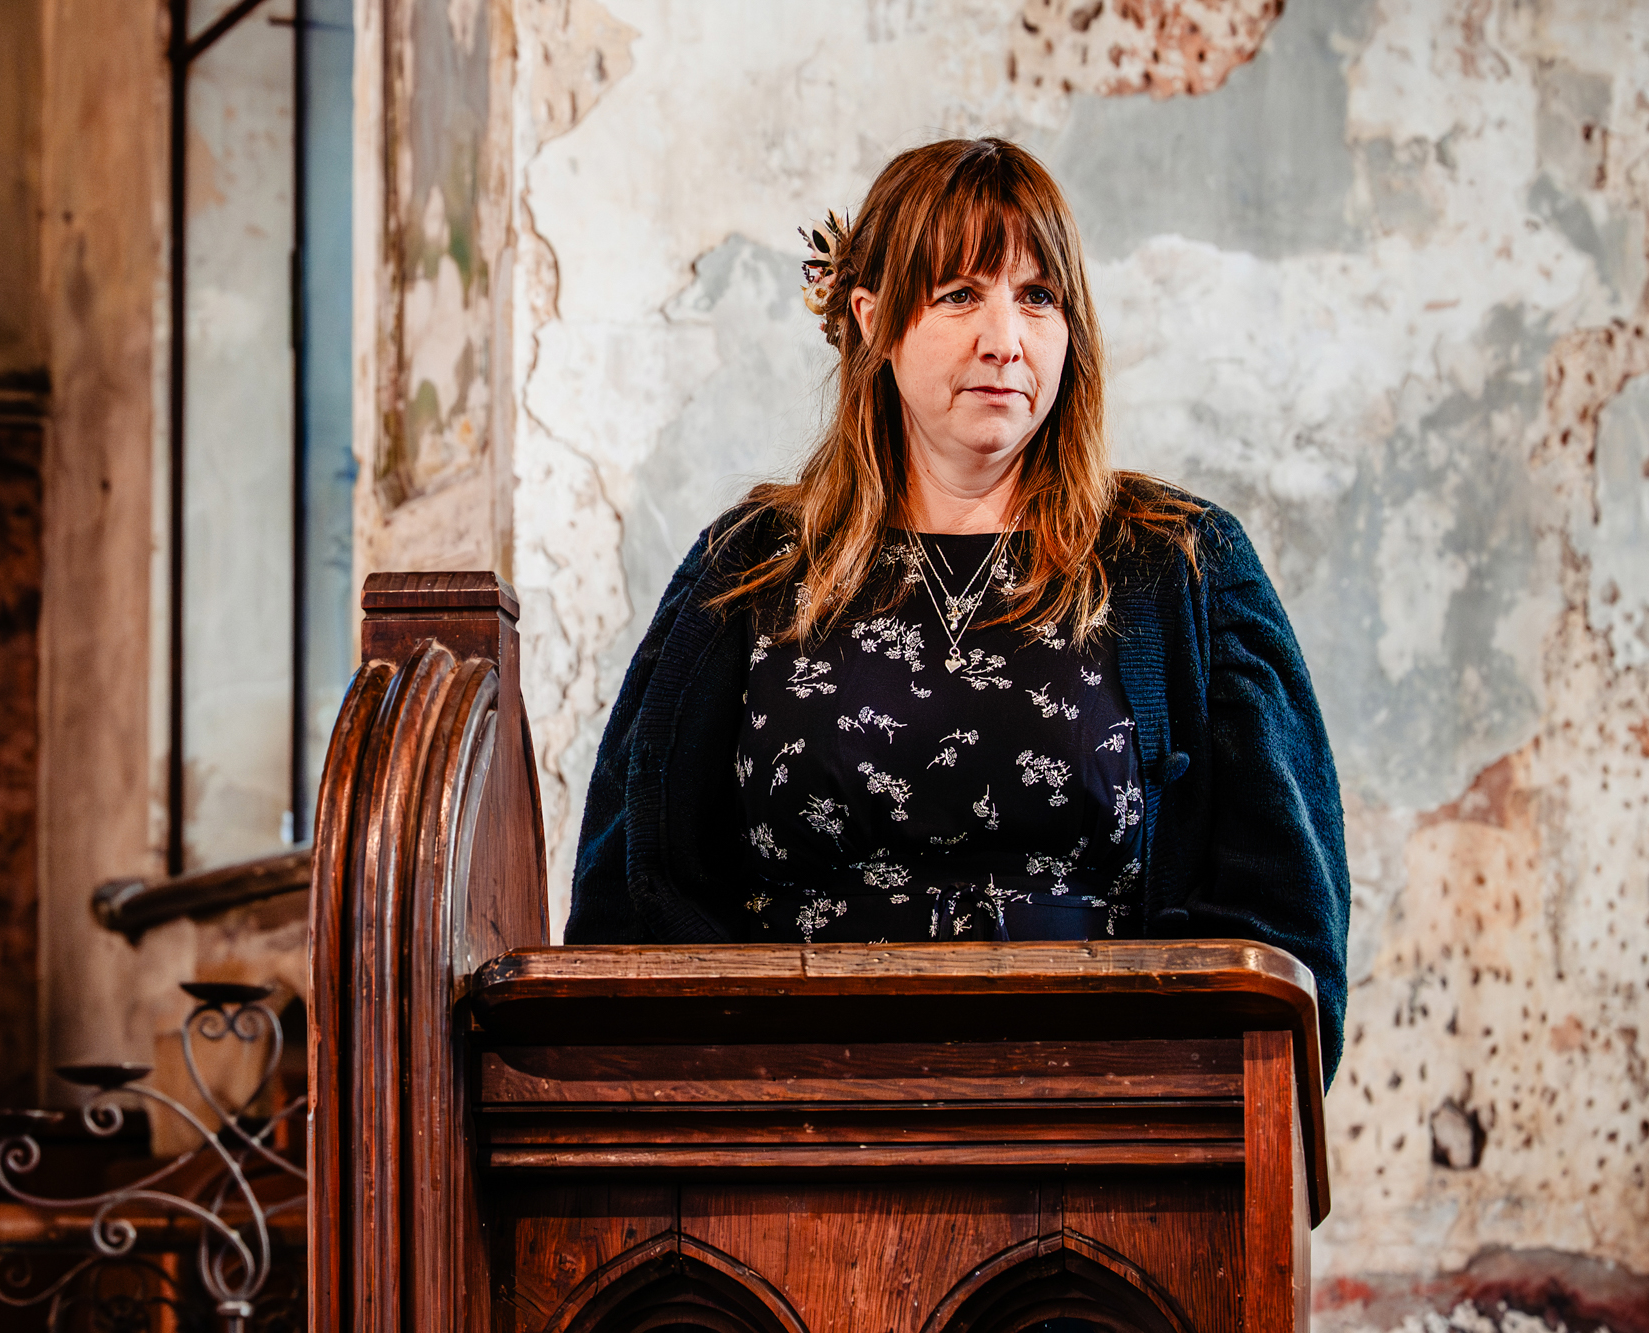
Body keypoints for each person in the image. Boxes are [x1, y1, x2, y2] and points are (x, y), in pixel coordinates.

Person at [563, 137, 1349, 1088]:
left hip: (1105, 1124)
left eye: (1038, 297)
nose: (1005, 339)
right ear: (873, 321)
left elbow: (1287, 922)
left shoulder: (1179, 565)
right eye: (960, 294)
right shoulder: (752, 567)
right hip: (793, 1120)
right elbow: (640, 888)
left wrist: (1176, 1105)